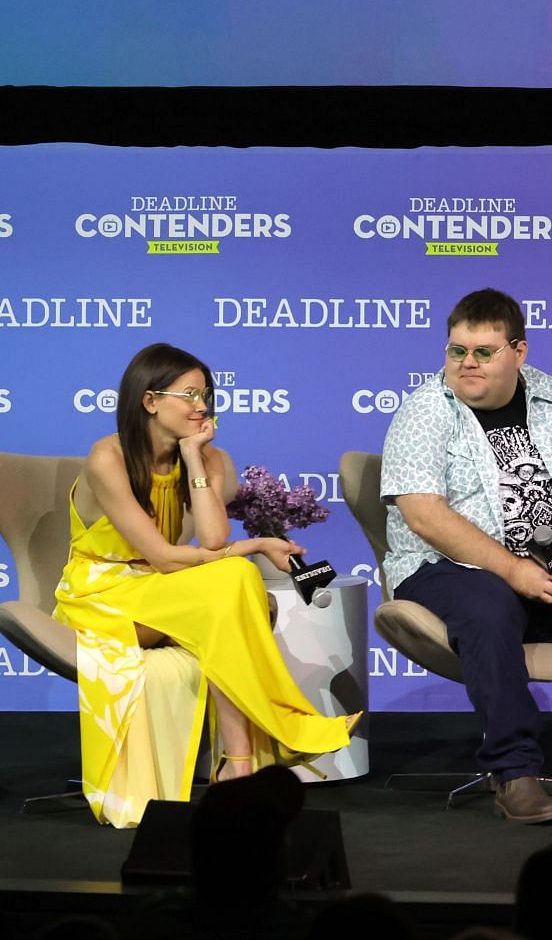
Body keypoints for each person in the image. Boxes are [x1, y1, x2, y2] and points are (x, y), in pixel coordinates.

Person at [380, 288, 552, 824]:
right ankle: (514, 773)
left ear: (519, 352)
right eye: (455, 350)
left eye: (483, 351)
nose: (466, 363)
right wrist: (513, 570)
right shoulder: (424, 412)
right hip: (446, 570)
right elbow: (422, 514)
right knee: (489, 602)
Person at [52, 343, 355, 829]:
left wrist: (194, 458)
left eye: (207, 395)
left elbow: (213, 538)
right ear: (150, 401)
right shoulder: (107, 457)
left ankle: (239, 762)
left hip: (160, 589)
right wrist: (256, 545)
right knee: (232, 578)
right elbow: (165, 556)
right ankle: (276, 736)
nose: (202, 406)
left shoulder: (211, 458)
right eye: (190, 395)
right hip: (102, 595)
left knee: (230, 581)